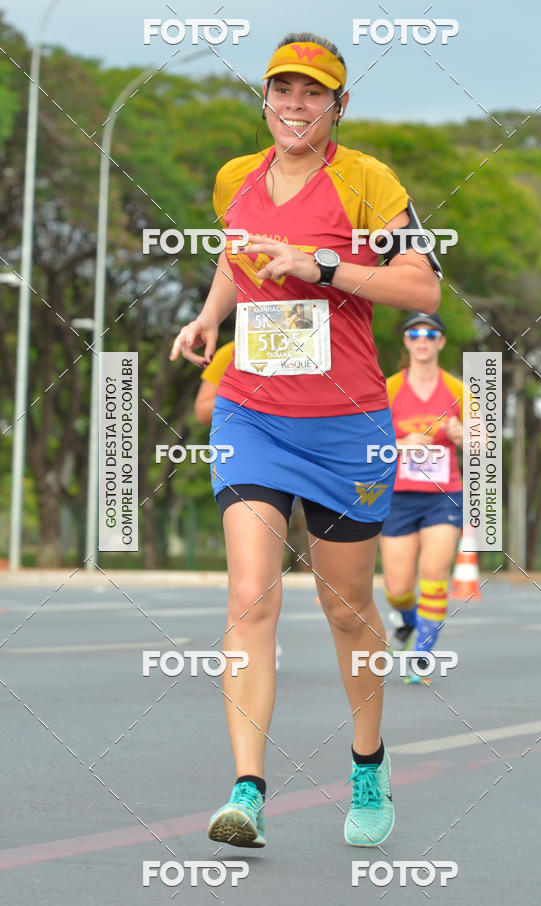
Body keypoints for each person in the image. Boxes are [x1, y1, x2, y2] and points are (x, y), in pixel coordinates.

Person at [170, 31, 440, 849]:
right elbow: (234, 257)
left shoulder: (366, 181)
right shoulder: (235, 179)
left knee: (346, 608)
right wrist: (212, 316)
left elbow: (422, 284)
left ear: (338, 106)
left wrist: (319, 266)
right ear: (266, 99)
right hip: (251, 411)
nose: (295, 105)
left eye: (313, 93)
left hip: (346, 425)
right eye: (283, 91)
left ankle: (367, 763)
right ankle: (246, 790)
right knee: (250, 593)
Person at [380, 311, 463, 684]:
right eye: (414, 333)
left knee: (434, 573)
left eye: (431, 332)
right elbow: (368, 443)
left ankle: (422, 655)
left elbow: (485, 446)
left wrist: (464, 437)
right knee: (397, 589)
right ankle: (407, 620)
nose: (423, 338)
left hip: (444, 496)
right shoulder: (389, 388)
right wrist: (401, 443)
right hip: (397, 495)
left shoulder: (461, 391)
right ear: (406, 342)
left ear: (441, 342)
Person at [194, 339, 283, 671]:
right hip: (251, 456)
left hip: (312, 452)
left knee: (342, 592)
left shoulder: (317, 337)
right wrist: (243, 392)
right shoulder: (230, 352)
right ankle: (258, 633)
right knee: (252, 573)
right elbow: (202, 409)